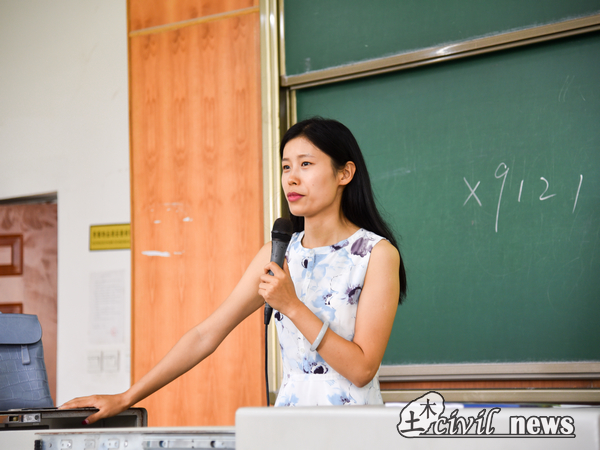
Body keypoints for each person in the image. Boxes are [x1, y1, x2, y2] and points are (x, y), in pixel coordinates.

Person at [60, 117, 407, 422]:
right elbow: (205, 335)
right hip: (290, 424)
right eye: (286, 167)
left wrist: (291, 305)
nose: (292, 178)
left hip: (354, 427)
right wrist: (127, 397)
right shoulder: (278, 253)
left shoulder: (376, 254)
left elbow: (362, 369)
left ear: (344, 173)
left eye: (306, 164)